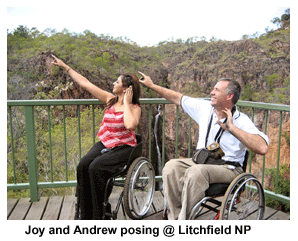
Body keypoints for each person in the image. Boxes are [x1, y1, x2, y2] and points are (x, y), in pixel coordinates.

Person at [138, 71, 269, 220]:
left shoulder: (241, 121)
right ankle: (174, 216)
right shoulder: (205, 108)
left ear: (229, 96)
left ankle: (184, 222)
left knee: (196, 172)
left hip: (229, 169)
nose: (211, 92)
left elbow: (262, 148)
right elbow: (177, 98)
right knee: (171, 166)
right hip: (202, 160)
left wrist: (232, 129)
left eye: (217, 90)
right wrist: (152, 85)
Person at [52, 55, 141, 219]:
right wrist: (65, 67)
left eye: (117, 82)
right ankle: (85, 212)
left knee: (95, 168)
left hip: (124, 147)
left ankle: (99, 211)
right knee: (83, 166)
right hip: (106, 143)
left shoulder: (134, 107)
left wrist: (127, 103)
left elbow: (130, 126)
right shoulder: (110, 99)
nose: (114, 83)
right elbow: (85, 83)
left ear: (125, 89)